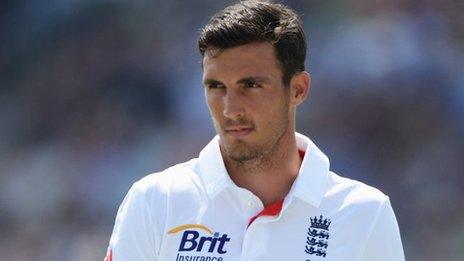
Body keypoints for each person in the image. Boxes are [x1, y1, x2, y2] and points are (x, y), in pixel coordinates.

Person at [105, 1, 405, 260]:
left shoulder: (365, 213)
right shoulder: (155, 200)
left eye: (251, 85)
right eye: (216, 87)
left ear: (298, 89)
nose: (230, 108)